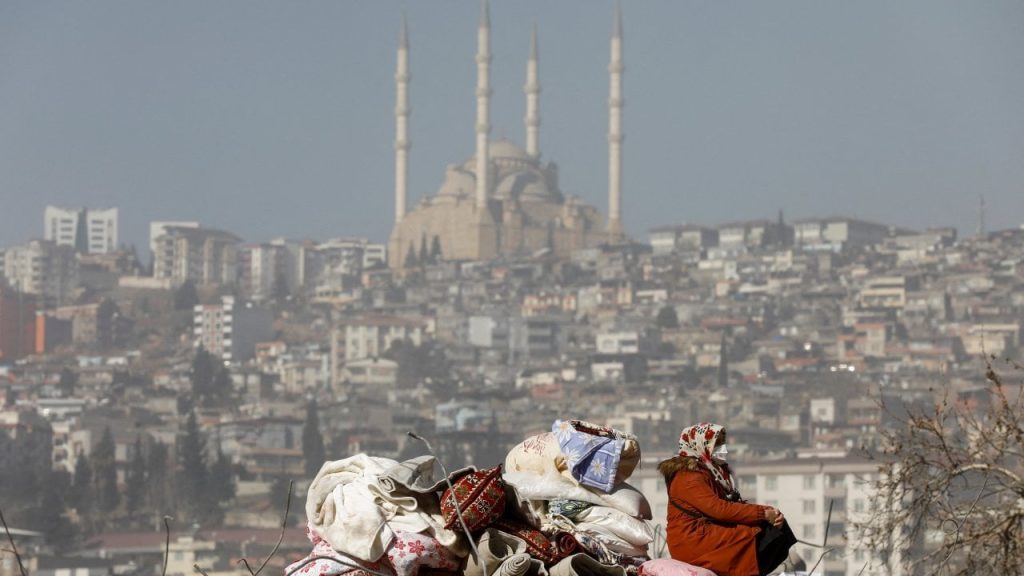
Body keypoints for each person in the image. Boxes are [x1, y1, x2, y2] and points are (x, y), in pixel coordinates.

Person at [659, 423, 796, 576]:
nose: (722, 448)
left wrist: (769, 513)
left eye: (722, 443)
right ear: (700, 444)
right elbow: (719, 509)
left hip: (705, 531)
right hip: (693, 538)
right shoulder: (688, 477)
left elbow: (730, 505)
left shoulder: (710, 471)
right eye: (716, 444)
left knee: (776, 528)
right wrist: (762, 514)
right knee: (754, 535)